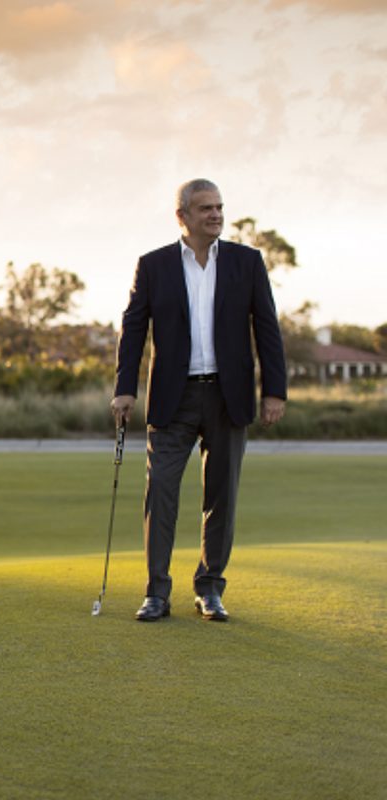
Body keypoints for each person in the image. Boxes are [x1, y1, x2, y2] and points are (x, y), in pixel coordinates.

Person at [111, 178, 287, 622]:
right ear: (183, 216)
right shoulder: (154, 266)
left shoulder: (247, 262)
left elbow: (267, 327)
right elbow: (133, 329)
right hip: (174, 398)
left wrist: (275, 390)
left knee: (221, 497)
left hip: (229, 397)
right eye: (206, 208)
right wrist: (124, 388)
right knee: (162, 494)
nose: (215, 214)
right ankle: (157, 592)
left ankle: (210, 588)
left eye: (219, 207)